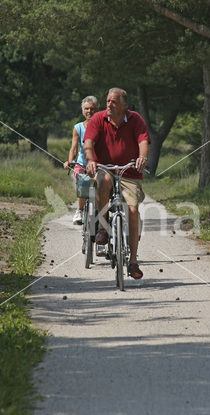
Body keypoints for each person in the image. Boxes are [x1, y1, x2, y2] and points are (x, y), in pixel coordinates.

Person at [84, 88, 149, 279]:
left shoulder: (135, 119)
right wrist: (90, 160)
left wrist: (142, 158)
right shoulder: (99, 119)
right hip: (105, 168)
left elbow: (143, 141)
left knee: (133, 210)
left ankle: (133, 262)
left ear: (123, 105)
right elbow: (88, 142)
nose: (109, 105)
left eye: (113, 102)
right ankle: (103, 228)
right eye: (107, 101)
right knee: (103, 182)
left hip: (129, 171)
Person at [63, 96, 99, 224]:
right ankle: (80, 210)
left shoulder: (103, 125)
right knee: (82, 183)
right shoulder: (78, 127)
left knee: (103, 185)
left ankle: (103, 211)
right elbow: (73, 148)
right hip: (82, 163)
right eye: (86, 109)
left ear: (97, 110)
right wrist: (70, 161)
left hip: (99, 162)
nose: (89, 111)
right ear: (83, 111)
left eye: (92, 109)